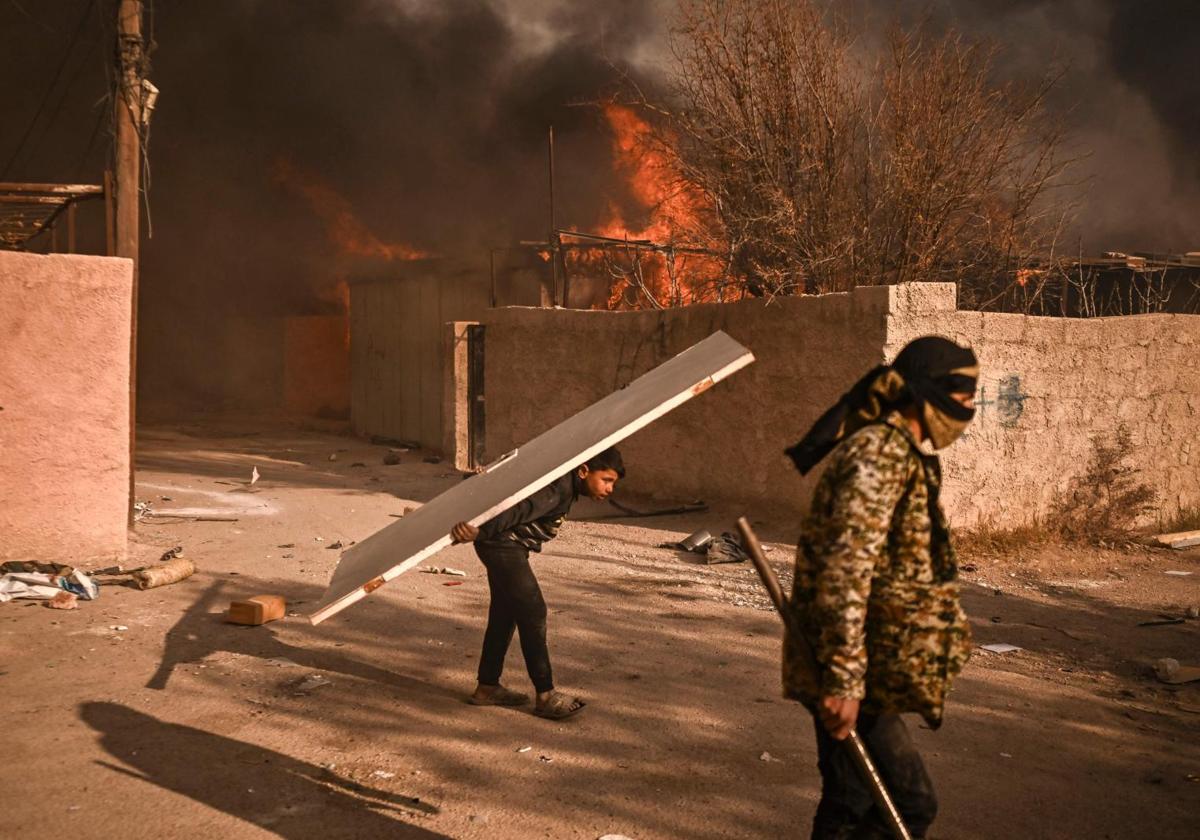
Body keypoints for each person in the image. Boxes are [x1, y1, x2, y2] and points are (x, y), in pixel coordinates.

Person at [782, 336, 979, 840]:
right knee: (905, 804)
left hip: (870, 663)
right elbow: (844, 570)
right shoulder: (877, 455)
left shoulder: (901, 453)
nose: (970, 407)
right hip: (848, 665)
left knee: (854, 797)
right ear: (925, 392)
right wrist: (844, 681)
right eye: (963, 393)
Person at [449, 447, 625, 720]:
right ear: (584, 471)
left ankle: (487, 688)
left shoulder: (564, 484)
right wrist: (481, 530)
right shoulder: (558, 489)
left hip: (502, 545)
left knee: (504, 614)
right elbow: (521, 509)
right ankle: (545, 695)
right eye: (607, 480)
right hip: (502, 546)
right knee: (533, 612)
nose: (610, 488)